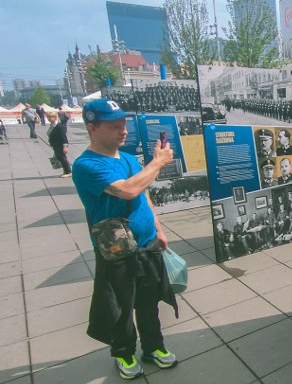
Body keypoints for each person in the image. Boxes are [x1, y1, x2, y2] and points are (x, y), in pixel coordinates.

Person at [71, 98, 179, 380]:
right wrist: (158, 162)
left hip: (146, 244)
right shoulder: (86, 165)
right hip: (116, 250)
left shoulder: (129, 158)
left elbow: (143, 194)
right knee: (119, 307)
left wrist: (157, 228)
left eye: (123, 125)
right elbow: (128, 190)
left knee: (149, 301)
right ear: (93, 128)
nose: (123, 131)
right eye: (114, 126)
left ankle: (153, 347)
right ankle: (123, 352)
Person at [47, 112, 72, 177]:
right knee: (60, 157)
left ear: (55, 118)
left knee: (62, 158)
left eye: (51, 117)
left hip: (60, 145)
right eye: (48, 117)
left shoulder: (59, 126)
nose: (49, 119)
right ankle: (65, 171)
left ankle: (68, 172)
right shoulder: (52, 125)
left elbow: (64, 137)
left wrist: (65, 146)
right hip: (55, 145)